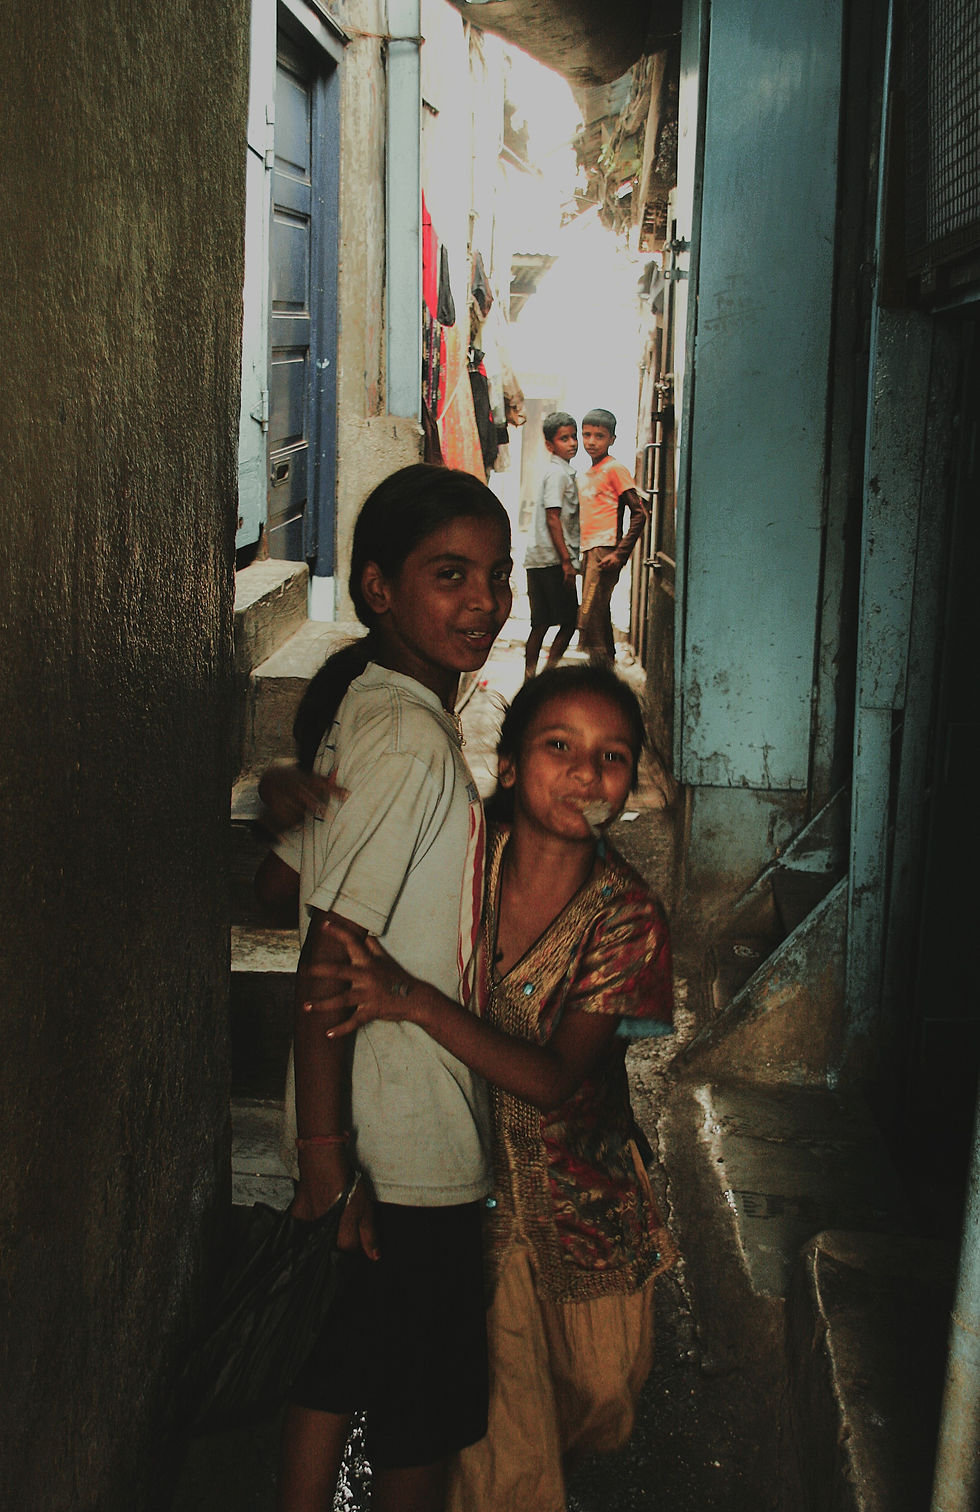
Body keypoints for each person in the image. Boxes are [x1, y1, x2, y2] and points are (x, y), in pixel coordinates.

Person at [318, 663, 676, 1512]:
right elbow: (301, 901)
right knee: (497, 1448)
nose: (587, 774)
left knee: (600, 1395)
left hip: (587, 1204)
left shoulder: (628, 916)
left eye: (614, 757)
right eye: (561, 746)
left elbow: (553, 1080)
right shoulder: (455, 859)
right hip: (464, 1196)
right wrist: (306, 801)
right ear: (509, 763)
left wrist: (415, 1000)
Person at [255, 462, 513, 1512]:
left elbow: (284, 881)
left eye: (495, 578)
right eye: (449, 575)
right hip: (405, 1148)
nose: (485, 604)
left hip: (376, 1137)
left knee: (345, 1360)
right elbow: (326, 955)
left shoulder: (370, 703)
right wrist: (328, 1163)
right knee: (425, 1411)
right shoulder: (407, 738)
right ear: (376, 589)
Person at [576, 408, 650, 663]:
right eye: (587, 435)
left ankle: (600, 676)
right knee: (597, 614)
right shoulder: (587, 474)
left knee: (589, 616)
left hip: (605, 550)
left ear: (612, 439)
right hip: (590, 550)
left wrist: (620, 553)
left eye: (599, 436)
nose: (592, 441)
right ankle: (604, 670)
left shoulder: (614, 469)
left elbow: (639, 513)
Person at [522, 411, 580, 681]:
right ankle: (544, 677)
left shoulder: (556, 471)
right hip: (553, 559)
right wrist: (567, 561)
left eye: (573, 437)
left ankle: (531, 677)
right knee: (569, 622)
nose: (572, 443)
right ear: (550, 445)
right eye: (564, 438)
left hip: (539, 557)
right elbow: (553, 517)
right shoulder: (557, 474)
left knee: (541, 622)